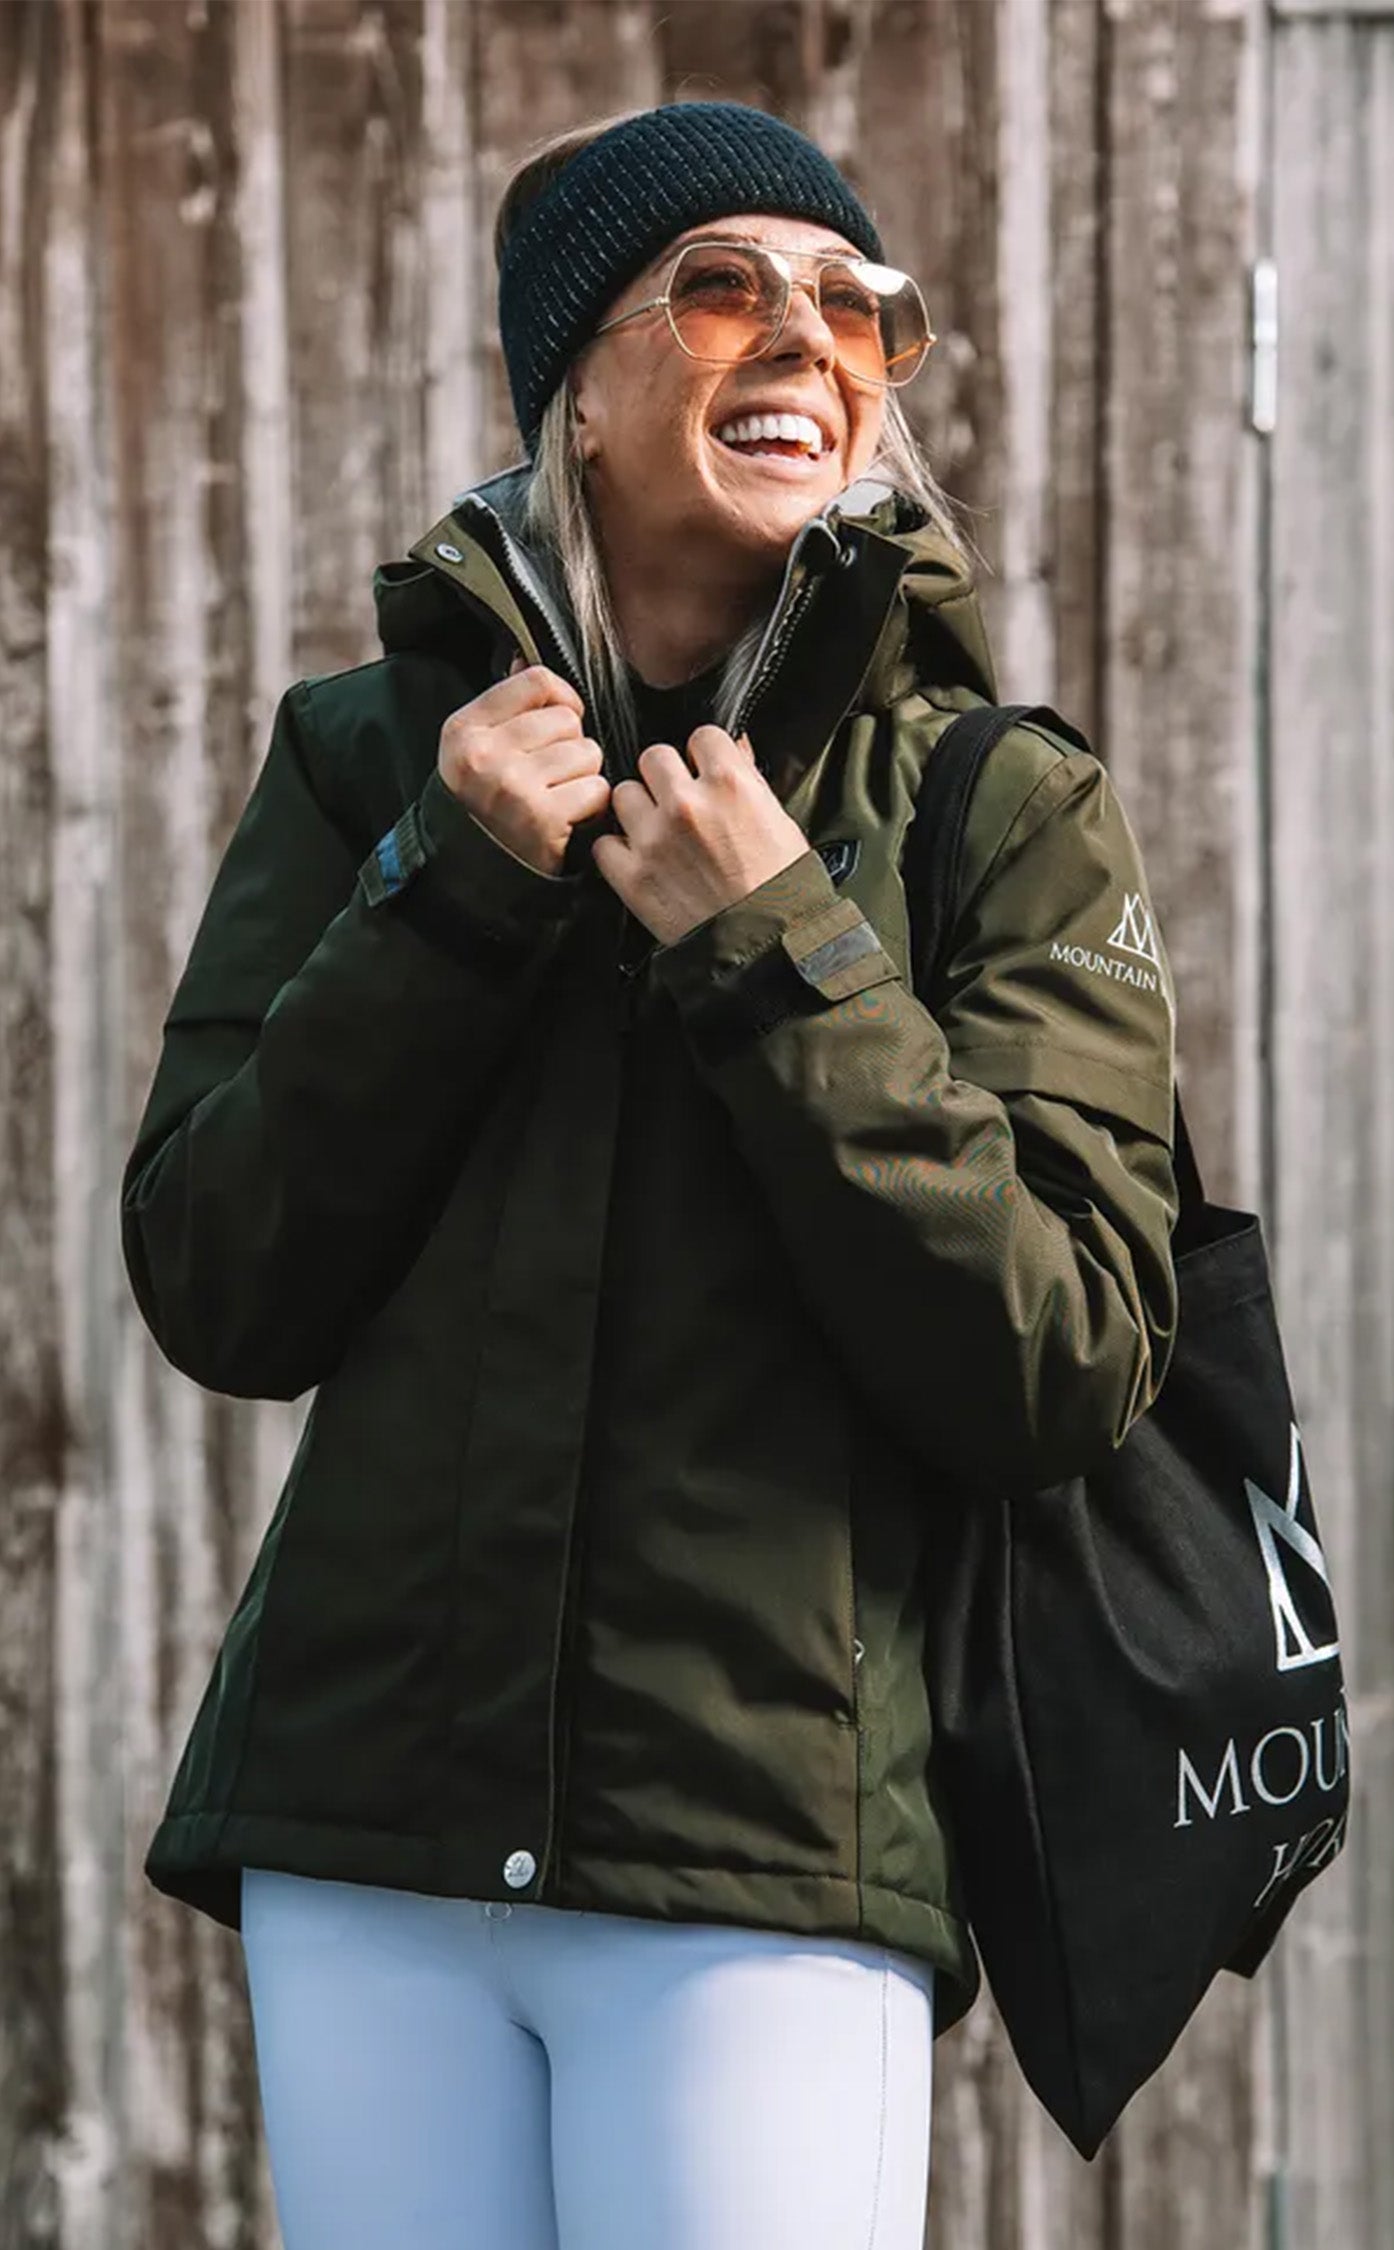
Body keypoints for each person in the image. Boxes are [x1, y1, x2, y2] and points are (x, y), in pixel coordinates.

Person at [120, 100, 1179, 2250]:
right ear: (576, 393)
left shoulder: (995, 806)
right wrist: (448, 893)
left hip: (756, 1857)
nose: (805, 336)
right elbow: (218, 1276)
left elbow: (1064, 1352)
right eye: (722, 286)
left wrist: (777, 946)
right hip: (368, 1840)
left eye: (856, 307)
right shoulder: (369, 763)